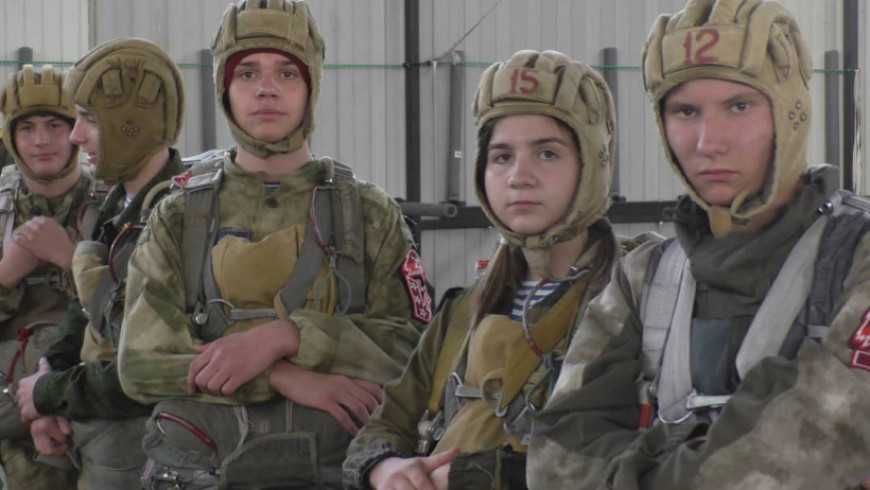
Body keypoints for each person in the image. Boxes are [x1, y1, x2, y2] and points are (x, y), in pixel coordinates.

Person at [528, 0, 870, 488]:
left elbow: (816, 445)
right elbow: (553, 461)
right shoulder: (644, 279)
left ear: (791, 113)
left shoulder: (857, 257)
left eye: (739, 106)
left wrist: (640, 463)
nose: (708, 141)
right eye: (685, 111)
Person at [118, 1, 431, 488]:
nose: (266, 88)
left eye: (287, 72)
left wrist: (289, 337)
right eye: (247, 73)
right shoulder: (178, 216)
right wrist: (283, 376)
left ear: (311, 87)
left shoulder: (368, 214)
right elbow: (140, 363)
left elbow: (414, 350)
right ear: (224, 88)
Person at [343, 49, 619, 490]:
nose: (519, 176)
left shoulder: (632, 297)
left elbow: (631, 458)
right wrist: (386, 469)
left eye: (547, 154)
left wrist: (473, 477)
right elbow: (384, 426)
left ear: (592, 165)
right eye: (502, 156)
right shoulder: (463, 312)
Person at [13, 38, 186, 488]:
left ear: (132, 124)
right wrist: (50, 373)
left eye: (89, 120)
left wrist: (50, 393)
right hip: (92, 431)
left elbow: (154, 368)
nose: (75, 136)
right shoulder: (120, 203)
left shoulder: (178, 216)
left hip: (136, 444)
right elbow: (89, 311)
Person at [0, 64, 88, 489]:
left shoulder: (111, 204)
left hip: (84, 387)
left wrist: (74, 261)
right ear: (10, 137)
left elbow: (136, 316)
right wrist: (6, 275)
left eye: (55, 125)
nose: (41, 140)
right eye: (27, 127)